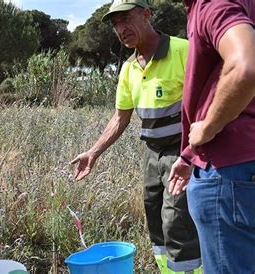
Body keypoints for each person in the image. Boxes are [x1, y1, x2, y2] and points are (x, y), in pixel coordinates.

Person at [70, 0, 202, 272]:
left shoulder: (183, 51)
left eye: (125, 19)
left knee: (178, 221)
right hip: (152, 155)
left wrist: (193, 153)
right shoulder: (129, 68)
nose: (120, 28)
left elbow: (206, 104)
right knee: (155, 221)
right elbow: (120, 117)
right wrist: (93, 152)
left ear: (146, 15)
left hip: (183, 152)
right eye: (115, 24)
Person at [168, 0, 255, 272]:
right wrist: (189, 155)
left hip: (227, 175)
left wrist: (208, 128)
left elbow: (245, 67)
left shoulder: (213, 4)